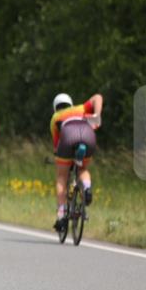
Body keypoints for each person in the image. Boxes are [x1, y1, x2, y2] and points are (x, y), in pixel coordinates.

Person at [50, 92, 103, 232]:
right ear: (70, 103)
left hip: (68, 137)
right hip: (88, 136)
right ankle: (86, 188)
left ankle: (61, 215)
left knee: (62, 177)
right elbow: (98, 97)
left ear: (55, 107)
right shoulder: (81, 108)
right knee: (83, 169)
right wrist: (97, 114)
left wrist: (58, 157)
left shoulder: (55, 118)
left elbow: (56, 146)